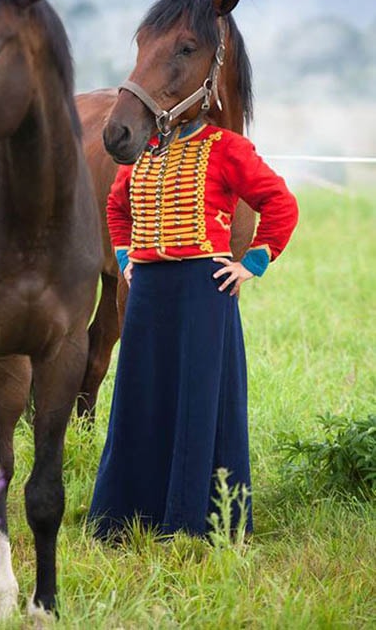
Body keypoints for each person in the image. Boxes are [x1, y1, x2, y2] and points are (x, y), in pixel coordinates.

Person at [88, 118, 299, 539]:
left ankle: (196, 523)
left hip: (204, 289)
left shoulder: (228, 147)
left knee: (199, 402)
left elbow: (280, 202)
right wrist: (127, 258)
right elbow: (117, 207)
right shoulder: (141, 148)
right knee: (141, 397)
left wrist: (253, 263)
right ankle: (126, 518)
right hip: (147, 291)